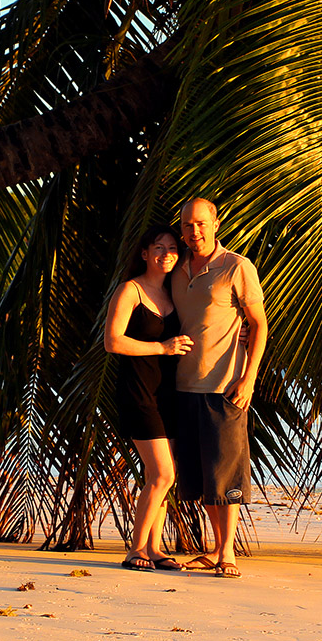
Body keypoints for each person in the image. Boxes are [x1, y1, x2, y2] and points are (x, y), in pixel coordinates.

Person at [171, 197, 268, 579]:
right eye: (187, 225)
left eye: (200, 223)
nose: (194, 231)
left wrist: (249, 378)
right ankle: (215, 547)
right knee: (200, 476)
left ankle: (227, 552)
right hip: (182, 386)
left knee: (225, 473)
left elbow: (258, 324)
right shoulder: (175, 270)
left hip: (225, 386)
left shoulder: (236, 267)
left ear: (215, 224)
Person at [104, 224, 194, 572]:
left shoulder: (176, 293)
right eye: (158, 247)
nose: (165, 254)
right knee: (162, 474)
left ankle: (154, 548)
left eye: (172, 248)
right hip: (138, 392)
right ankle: (135, 550)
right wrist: (162, 347)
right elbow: (113, 342)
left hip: (169, 394)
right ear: (144, 253)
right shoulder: (131, 291)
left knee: (159, 476)